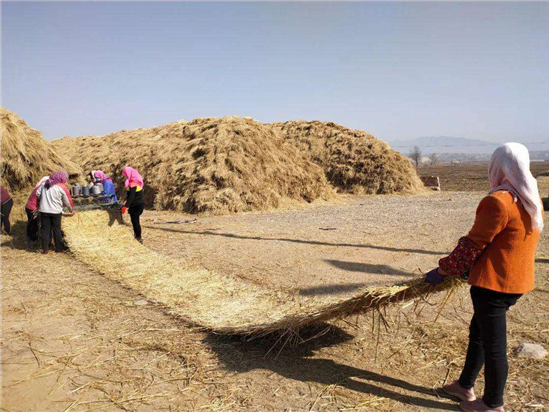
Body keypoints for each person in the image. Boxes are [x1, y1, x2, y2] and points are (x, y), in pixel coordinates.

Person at [425, 143, 543, 412]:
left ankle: (492, 404)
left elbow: (472, 245)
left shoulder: (498, 201)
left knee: (493, 346)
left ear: (497, 166)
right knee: (478, 333)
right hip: (516, 283)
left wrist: (443, 270)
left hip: (493, 286)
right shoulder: (530, 199)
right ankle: (465, 385)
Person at [37, 171, 74, 254]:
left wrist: (43, 199)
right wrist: (71, 210)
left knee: (45, 230)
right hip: (56, 212)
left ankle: (45, 249)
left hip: (44, 211)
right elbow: (66, 201)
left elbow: (37, 193)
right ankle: (58, 248)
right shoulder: (59, 188)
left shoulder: (44, 185)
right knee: (56, 230)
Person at [121, 166, 144, 243]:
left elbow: (131, 197)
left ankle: (138, 237)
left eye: (126, 174)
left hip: (135, 206)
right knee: (135, 221)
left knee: (135, 222)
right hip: (139, 204)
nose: (126, 176)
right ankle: (137, 235)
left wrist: (125, 206)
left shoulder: (132, 184)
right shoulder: (137, 182)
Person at [25, 176, 49, 241]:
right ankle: (31, 238)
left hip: (30, 207)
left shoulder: (39, 187)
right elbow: (41, 199)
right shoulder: (42, 188)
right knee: (33, 223)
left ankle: (31, 237)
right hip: (32, 208)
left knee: (31, 223)